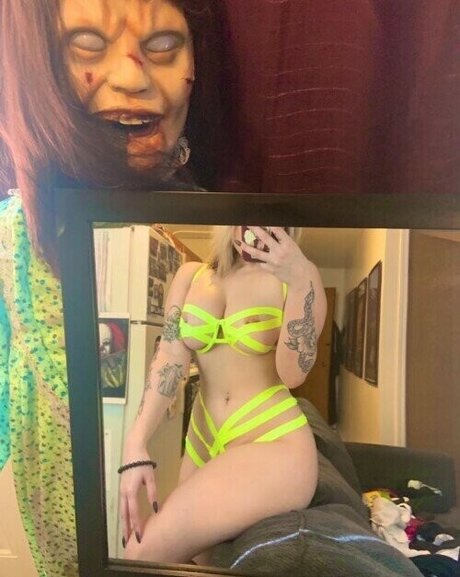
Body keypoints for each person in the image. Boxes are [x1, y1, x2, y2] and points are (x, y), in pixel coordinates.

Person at [0, 1, 224, 576]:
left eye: (163, 45)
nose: (130, 77)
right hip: (67, 473)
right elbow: (169, 361)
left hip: (240, 440)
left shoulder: (231, 221)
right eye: (87, 43)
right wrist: (135, 447)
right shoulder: (14, 236)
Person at [120, 225, 327, 563]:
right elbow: (169, 357)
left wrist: (301, 279)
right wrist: (136, 440)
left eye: (268, 219)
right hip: (202, 438)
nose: (255, 229)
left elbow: (294, 374)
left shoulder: (299, 277)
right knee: (197, 564)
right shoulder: (190, 275)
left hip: (272, 439)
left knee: (141, 553)